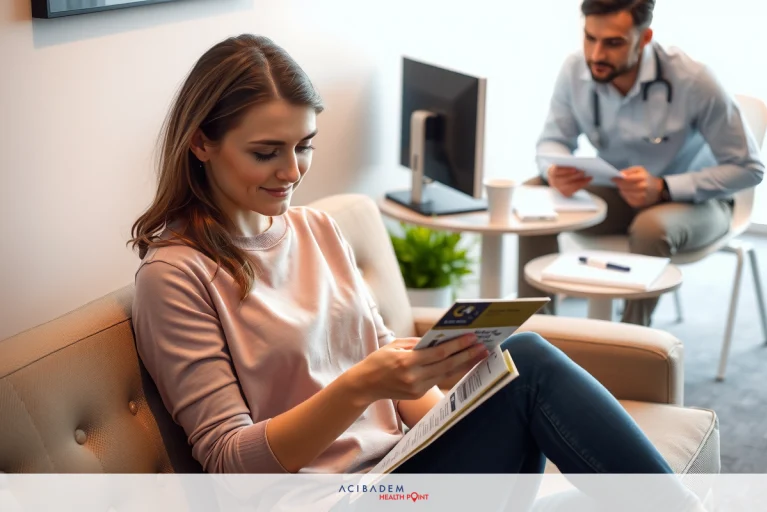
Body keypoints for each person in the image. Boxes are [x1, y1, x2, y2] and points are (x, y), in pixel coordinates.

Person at [129, 34, 703, 510]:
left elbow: (391, 372)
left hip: (401, 477)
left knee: (564, 442)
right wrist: (363, 384)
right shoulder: (176, 275)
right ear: (201, 142)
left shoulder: (316, 229)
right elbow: (231, 464)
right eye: (266, 152)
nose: (292, 171)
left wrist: (460, 404)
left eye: (304, 145)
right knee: (529, 364)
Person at [518, 0, 764, 326]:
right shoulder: (575, 70)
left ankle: (633, 346)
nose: (596, 55)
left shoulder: (693, 80)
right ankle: (535, 332)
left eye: (613, 43)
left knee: (651, 227)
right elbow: (551, 141)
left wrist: (664, 188)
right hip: (618, 193)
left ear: (645, 38)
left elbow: (749, 168)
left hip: (697, 201)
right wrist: (552, 170)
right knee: (535, 192)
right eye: (590, 38)